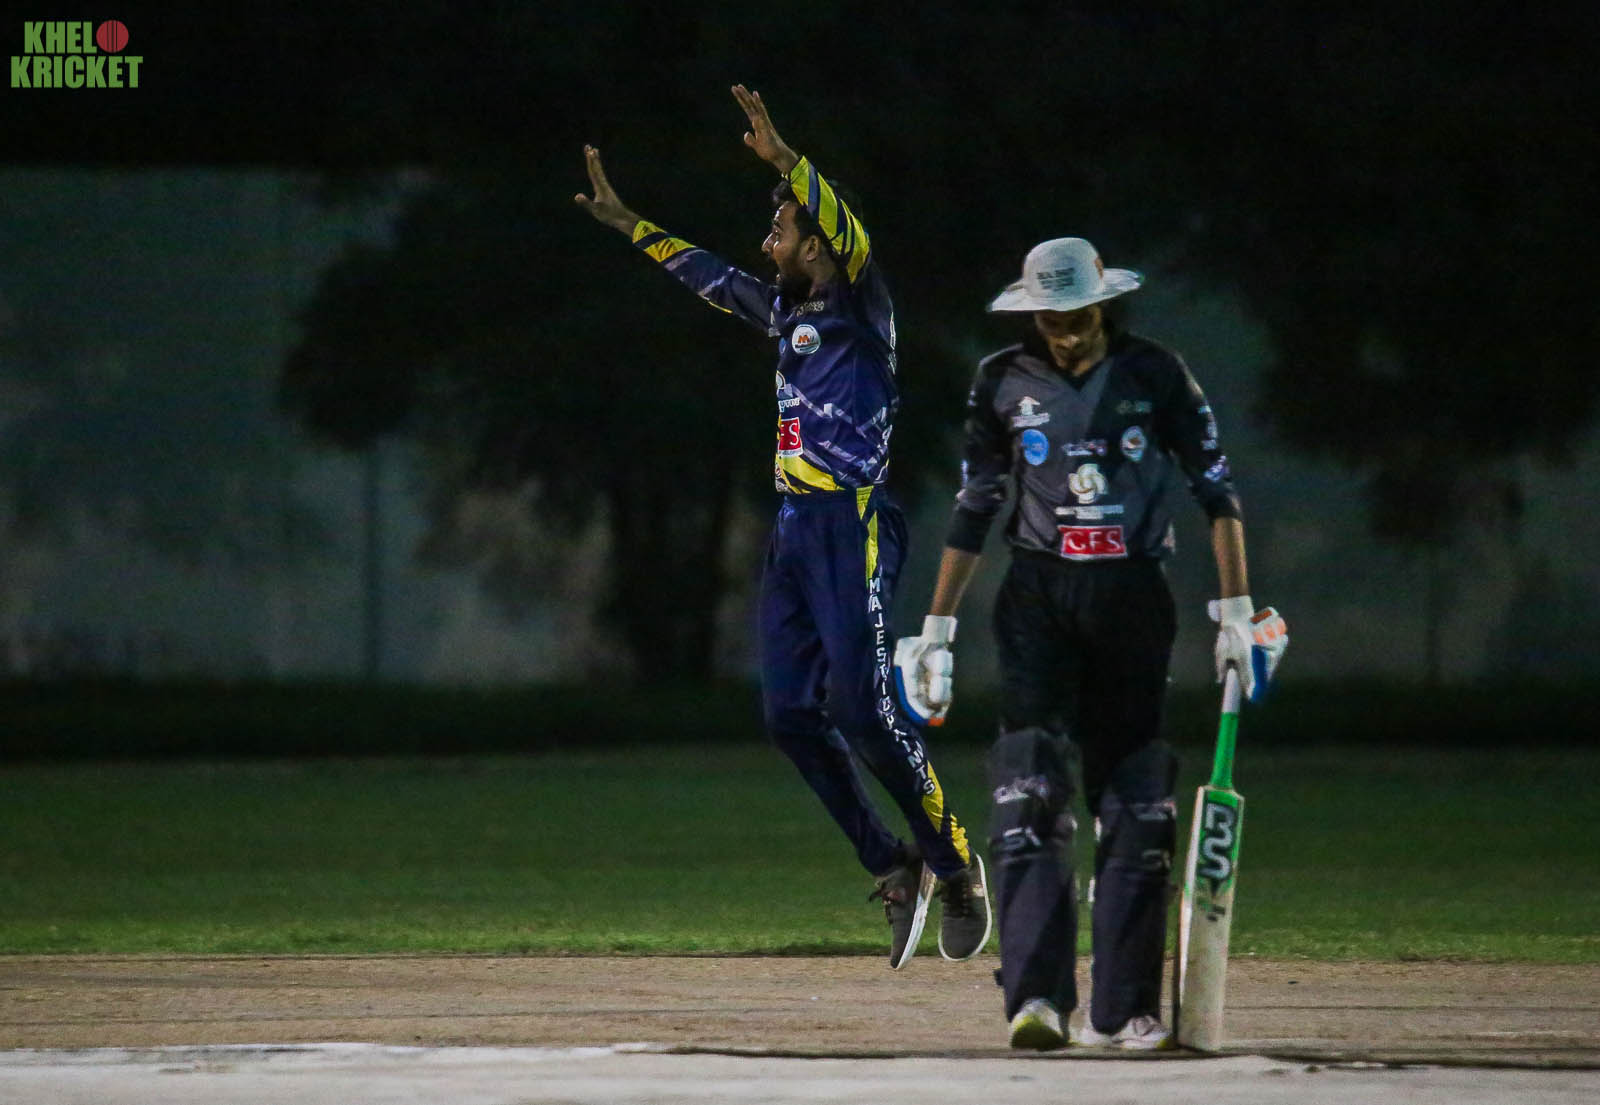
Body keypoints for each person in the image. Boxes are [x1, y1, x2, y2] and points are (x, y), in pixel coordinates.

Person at [575, 85, 991, 969]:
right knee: (791, 715)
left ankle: (956, 862)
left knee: (863, 709)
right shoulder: (787, 312)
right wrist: (630, 224)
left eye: (781, 230)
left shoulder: (862, 303)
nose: (767, 244)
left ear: (818, 245)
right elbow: (710, 277)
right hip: (795, 529)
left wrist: (789, 162)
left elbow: (847, 228)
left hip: (853, 522)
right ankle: (893, 863)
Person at [895, 237, 1287, 1047]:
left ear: (1104, 304)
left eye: (1078, 317)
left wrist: (1237, 610)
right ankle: (1037, 1000)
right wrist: (937, 630)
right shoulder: (1001, 379)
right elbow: (976, 502)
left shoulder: (1157, 373)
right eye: (1051, 319)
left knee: (1137, 796)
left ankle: (1125, 1009)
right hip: (1037, 598)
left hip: (1133, 597)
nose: (1066, 334)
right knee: (1027, 787)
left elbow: (1216, 489)